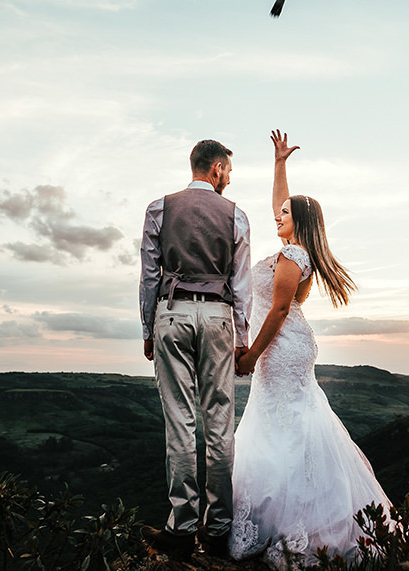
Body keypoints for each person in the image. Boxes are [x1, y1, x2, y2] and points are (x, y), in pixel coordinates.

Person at [230, 130, 390, 569]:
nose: (276, 216)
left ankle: (294, 526)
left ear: (297, 220)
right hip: (289, 345)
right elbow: (282, 204)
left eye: (284, 213)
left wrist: (251, 355)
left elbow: (279, 309)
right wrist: (280, 164)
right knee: (285, 422)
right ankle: (287, 518)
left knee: (285, 427)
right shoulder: (295, 247)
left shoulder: (293, 255)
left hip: (281, 344)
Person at [138, 139, 252, 560]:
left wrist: (148, 327)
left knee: (180, 424)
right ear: (218, 168)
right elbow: (241, 285)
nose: (229, 178)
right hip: (219, 315)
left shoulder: (159, 208)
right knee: (220, 424)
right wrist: (241, 339)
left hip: (173, 312)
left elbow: (150, 274)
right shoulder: (236, 214)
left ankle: (182, 528)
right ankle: (219, 528)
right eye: (229, 171)